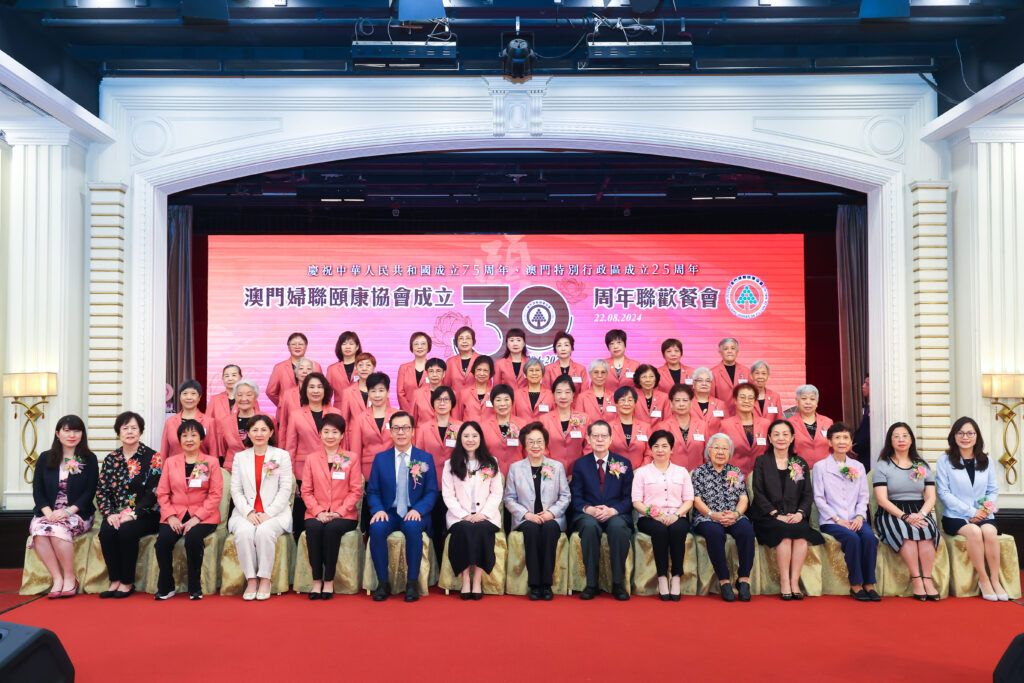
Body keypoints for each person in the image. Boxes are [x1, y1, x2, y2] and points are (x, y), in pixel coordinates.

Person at [367, 411, 438, 602]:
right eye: (396, 428)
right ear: (390, 432)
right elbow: (372, 491)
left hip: (415, 511)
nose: (401, 432)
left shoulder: (425, 458)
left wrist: (418, 510)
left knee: (412, 527)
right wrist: (378, 510)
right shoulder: (381, 459)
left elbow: (431, 491)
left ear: (413, 431)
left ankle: (412, 583)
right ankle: (383, 582)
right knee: (377, 528)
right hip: (389, 512)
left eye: (405, 428)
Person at [750, 419, 823, 600]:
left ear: (792, 438)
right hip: (767, 516)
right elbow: (758, 492)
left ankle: (794, 581)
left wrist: (800, 514)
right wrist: (775, 514)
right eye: (776, 434)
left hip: (793, 514)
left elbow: (807, 494)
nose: (781, 438)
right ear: (770, 438)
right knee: (784, 533)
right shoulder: (762, 461)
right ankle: (784, 581)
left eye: (785, 434)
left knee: (801, 535)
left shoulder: (799, 462)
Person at [936, 417, 1008, 601]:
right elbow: (943, 492)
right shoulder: (944, 461)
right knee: (975, 532)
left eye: (970, 433)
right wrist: (971, 512)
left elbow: (992, 490)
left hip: (983, 513)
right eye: (960, 433)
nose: (965, 437)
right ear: (954, 436)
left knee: (989, 532)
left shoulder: (986, 460)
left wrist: (983, 511)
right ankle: (984, 580)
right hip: (955, 515)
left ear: (977, 437)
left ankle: (995, 579)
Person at [29, 415, 98, 598]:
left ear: (82, 434)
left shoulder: (89, 459)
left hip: (78, 512)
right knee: (39, 531)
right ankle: (57, 578)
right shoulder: (45, 458)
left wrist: (67, 511)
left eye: (76, 431)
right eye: (67, 431)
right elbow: (38, 490)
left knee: (57, 529)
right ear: (57, 434)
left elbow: (89, 492)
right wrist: (48, 513)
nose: (72, 435)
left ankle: (70, 577)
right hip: (48, 511)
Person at [154, 419, 222, 600]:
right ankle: (166, 586)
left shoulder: (211, 462)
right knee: (162, 542)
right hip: (175, 513)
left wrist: (197, 518)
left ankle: (194, 586)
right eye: (185, 436)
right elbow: (162, 493)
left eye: (194, 435)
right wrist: (170, 516)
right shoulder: (170, 462)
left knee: (193, 539)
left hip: (204, 516)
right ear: (179, 440)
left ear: (201, 439)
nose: (189, 439)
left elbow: (215, 495)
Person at [97, 411, 163, 599]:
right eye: (125, 428)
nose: (130, 432)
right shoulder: (111, 459)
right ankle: (115, 580)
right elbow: (102, 490)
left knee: (126, 531)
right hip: (117, 513)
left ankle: (127, 582)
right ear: (118, 432)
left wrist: (132, 514)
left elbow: (153, 493)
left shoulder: (153, 457)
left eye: (134, 428)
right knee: (106, 531)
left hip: (146, 514)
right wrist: (109, 513)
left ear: (141, 431)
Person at [227, 415, 293, 601]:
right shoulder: (240, 457)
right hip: (245, 513)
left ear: (271, 432)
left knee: (264, 532)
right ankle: (251, 579)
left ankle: (265, 579)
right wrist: (248, 512)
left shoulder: (281, 456)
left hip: (275, 513)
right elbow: (235, 490)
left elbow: (285, 489)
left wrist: (269, 513)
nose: (259, 434)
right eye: (254, 430)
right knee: (243, 533)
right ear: (248, 433)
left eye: (264, 429)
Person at [873, 422, 941, 600]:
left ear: (911, 440)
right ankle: (916, 580)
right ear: (890, 441)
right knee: (905, 530)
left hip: (919, 510)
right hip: (892, 510)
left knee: (926, 530)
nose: (901, 439)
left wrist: (922, 514)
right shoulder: (883, 465)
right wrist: (904, 516)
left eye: (905, 436)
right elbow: (882, 499)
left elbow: (931, 497)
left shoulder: (922, 464)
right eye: (896, 436)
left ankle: (927, 579)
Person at [504, 422, 571, 600]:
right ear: (524, 445)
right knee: (532, 530)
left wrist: (551, 513)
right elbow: (509, 498)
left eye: (539, 441)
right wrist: (526, 515)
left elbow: (565, 496)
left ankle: (546, 585)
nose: (536, 446)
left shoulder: (557, 467)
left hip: (552, 517)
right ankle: (535, 585)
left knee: (549, 529)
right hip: (526, 518)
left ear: (545, 443)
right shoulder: (516, 468)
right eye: (531, 442)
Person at [813, 423, 879, 602]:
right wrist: (837, 519)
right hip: (831, 521)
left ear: (851, 442)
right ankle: (856, 584)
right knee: (852, 538)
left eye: (845, 438)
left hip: (855, 518)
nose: (841, 442)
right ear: (830, 442)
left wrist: (859, 516)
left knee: (869, 537)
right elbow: (819, 498)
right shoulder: (820, 467)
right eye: (837, 438)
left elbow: (863, 496)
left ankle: (869, 583)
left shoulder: (858, 466)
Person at [569, 420, 634, 601]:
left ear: (611, 439)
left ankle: (618, 584)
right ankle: (591, 584)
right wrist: (588, 509)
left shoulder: (623, 463)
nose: (599, 440)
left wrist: (613, 510)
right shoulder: (580, 464)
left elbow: (629, 497)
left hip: (615, 513)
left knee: (618, 528)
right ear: (588, 439)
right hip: (588, 514)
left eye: (603, 436)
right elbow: (576, 496)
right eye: (595, 436)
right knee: (590, 527)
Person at [300, 413, 361, 600]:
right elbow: (306, 491)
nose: (330, 436)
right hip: (315, 513)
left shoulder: (351, 458)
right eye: (326, 431)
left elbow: (355, 491)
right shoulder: (311, 459)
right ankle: (316, 580)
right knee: (314, 528)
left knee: (332, 529)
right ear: (320, 434)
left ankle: (329, 580)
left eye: (335, 432)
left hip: (344, 515)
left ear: (342, 435)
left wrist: (338, 512)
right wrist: (318, 511)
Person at [442, 422, 503, 600]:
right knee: (464, 529)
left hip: (487, 515)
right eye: (466, 436)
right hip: (459, 516)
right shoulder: (450, 464)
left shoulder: (492, 462)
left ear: (480, 439)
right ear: (460, 439)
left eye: (474, 436)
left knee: (481, 529)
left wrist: (483, 514)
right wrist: (464, 515)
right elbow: (448, 495)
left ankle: (477, 579)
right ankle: (465, 579)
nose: (470, 440)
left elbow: (496, 493)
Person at [691, 433, 755, 602]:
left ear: (730, 452)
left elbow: (743, 499)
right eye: (716, 448)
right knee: (715, 533)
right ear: (709, 451)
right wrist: (712, 515)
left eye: (725, 448)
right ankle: (724, 581)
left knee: (747, 531)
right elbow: (696, 500)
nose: (720, 452)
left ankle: (744, 580)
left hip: (733, 515)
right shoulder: (699, 472)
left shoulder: (735, 471)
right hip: (707, 517)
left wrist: (736, 514)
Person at [631, 430, 694, 601]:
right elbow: (636, 502)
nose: (660, 450)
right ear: (650, 449)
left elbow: (688, 500)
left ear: (671, 449)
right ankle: (662, 577)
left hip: (677, 515)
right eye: (656, 446)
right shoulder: (641, 473)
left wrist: (677, 515)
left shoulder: (682, 472)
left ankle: (676, 577)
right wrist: (654, 514)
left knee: (677, 530)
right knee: (660, 531)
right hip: (649, 518)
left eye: (664, 446)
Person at [284, 371, 341, 539]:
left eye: (319, 387)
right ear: (305, 390)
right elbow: (291, 447)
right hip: (303, 472)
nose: (315, 390)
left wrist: (341, 470)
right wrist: (291, 476)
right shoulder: (296, 414)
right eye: (311, 387)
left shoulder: (336, 412)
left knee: (329, 520)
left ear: (325, 390)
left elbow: (342, 445)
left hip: (331, 470)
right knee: (303, 520)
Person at [413, 385, 462, 555]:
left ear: (452, 403)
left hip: (455, 485)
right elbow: (418, 458)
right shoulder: (424, 428)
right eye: (438, 400)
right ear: (432, 403)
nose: (442, 403)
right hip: (431, 485)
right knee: (435, 526)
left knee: (453, 526)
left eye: (446, 400)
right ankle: (437, 563)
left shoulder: (460, 427)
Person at [347, 372, 398, 531]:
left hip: (394, 471)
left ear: (388, 392)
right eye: (373, 391)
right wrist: (358, 480)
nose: (377, 395)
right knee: (371, 518)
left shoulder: (397, 416)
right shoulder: (360, 418)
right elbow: (355, 452)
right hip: (369, 473)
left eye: (381, 390)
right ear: (368, 393)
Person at [540, 375, 589, 476]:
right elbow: (542, 448)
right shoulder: (544, 420)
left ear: (573, 395)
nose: (563, 396)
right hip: (551, 473)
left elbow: (589, 447)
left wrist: (578, 472)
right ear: (553, 395)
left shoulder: (584, 418)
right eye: (559, 392)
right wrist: (551, 469)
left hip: (579, 473)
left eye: (567, 392)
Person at [210, 379, 261, 472]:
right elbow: (222, 448)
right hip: (232, 468)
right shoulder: (225, 422)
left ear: (255, 397)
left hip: (260, 467)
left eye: (249, 395)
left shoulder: (266, 419)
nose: (244, 399)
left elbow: (273, 444)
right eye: (239, 395)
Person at [719, 384, 770, 474]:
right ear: (735, 400)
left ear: (755, 401)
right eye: (742, 397)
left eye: (750, 398)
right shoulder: (725, 425)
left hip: (761, 475)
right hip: (734, 476)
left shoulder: (765, 424)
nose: (746, 401)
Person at [480, 384, 529, 476]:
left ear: (512, 402)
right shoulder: (484, 426)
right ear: (492, 402)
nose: (502, 404)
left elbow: (527, 452)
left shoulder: (523, 424)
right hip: (493, 475)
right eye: (498, 400)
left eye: (506, 399)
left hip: (518, 475)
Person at [657, 384, 708, 470]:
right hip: (671, 474)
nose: (681, 404)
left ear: (691, 403)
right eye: (677, 400)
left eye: (685, 400)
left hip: (698, 474)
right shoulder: (662, 426)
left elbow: (707, 454)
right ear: (671, 403)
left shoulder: (703, 425)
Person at [160, 380, 214, 458]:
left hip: (200, 465)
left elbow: (213, 453)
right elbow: (164, 452)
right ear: (180, 397)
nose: (189, 397)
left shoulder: (209, 422)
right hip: (174, 465)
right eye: (185, 394)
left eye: (193, 394)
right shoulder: (169, 422)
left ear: (199, 397)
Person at [266, 332, 322, 406]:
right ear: (288, 347)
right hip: (288, 409)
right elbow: (270, 392)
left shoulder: (316, 366)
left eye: (301, 344)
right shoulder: (279, 367)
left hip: (310, 408)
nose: (297, 346)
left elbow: (322, 389)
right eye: (293, 344)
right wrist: (283, 404)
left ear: (306, 346)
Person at [790, 385, 834, 468]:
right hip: (799, 470)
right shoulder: (789, 423)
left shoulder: (828, 422)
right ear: (797, 401)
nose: (808, 402)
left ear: (817, 402)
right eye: (804, 398)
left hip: (825, 470)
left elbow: (834, 447)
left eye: (812, 399)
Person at [274, 358, 316, 445]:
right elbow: (283, 424)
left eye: (308, 369)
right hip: (292, 440)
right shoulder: (287, 394)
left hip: (313, 441)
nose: (305, 371)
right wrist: (282, 446)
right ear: (296, 373)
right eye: (301, 368)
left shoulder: (320, 393)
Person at [608, 386, 652, 468]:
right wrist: (618, 469)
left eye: (630, 400)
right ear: (616, 403)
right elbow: (604, 452)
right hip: (614, 472)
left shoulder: (645, 427)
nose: (626, 403)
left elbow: (649, 453)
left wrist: (640, 470)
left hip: (640, 473)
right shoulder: (608, 427)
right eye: (622, 400)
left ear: (635, 403)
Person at [337, 352, 378, 429]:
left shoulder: (380, 391)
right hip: (354, 432)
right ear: (355, 368)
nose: (364, 368)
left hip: (375, 432)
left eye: (368, 365)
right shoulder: (348, 392)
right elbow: (344, 420)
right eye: (360, 365)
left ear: (374, 368)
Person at [710, 338, 750, 415]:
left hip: (742, 415)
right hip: (722, 415)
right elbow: (711, 398)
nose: (729, 351)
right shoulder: (712, 373)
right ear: (720, 352)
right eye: (726, 349)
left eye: (733, 348)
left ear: (737, 351)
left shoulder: (746, 371)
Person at [397, 331, 432, 413]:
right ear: (411, 347)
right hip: (407, 412)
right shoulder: (404, 368)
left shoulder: (434, 368)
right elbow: (400, 393)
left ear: (428, 347)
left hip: (429, 412)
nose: (419, 347)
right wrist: (408, 412)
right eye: (416, 344)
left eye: (423, 344)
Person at [326, 330, 362, 407]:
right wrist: (329, 411)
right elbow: (327, 395)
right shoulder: (332, 369)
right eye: (344, 344)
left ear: (357, 347)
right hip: (339, 411)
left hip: (360, 410)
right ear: (340, 347)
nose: (347, 347)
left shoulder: (363, 367)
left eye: (351, 344)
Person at [602, 329, 641, 396]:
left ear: (625, 345)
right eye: (612, 344)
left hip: (629, 400)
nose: (615, 346)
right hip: (607, 400)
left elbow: (640, 387)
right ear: (608, 347)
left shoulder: (635, 365)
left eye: (619, 342)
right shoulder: (601, 365)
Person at [456, 355, 495, 422]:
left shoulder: (495, 393)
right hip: (468, 428)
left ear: (490, 373)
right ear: (474, 371)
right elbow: (457, 418)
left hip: (490, 428)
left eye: (485, 370)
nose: (481, 373)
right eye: (479, 370)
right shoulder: (463, 393)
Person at [410, 358, 449, 424]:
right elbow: (413, 419)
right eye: (431, 371)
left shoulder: (451, 393)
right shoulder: (417, 394)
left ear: (444, 373)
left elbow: (454, 420)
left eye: (438, 371)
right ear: (427, 373)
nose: (434, 374)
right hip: (422, 430)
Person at [445, 326, 480, 392]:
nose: (464, 341)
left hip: (475, 398)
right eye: (461, 338)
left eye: (468, 338)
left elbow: (487, 385)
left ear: (473, 341)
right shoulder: (450, 362)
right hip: (455, 398)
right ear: (456, 342)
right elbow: (446, 385)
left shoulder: (481, 360)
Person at [690, 367, 726, 433]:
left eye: (707, 381)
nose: (704, 383)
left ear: (711, 384)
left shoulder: (720, 404)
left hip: (715, 439)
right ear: (693, 384)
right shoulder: (687, 403)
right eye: (700, 380)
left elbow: (727, 427)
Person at [852, 373, 871, 471]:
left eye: (867, 384)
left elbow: (867, 434)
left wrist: (855, 448)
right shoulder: (867, 407)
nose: (863, 386)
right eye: (864, 383)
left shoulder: (875, 409)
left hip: (868, 454)